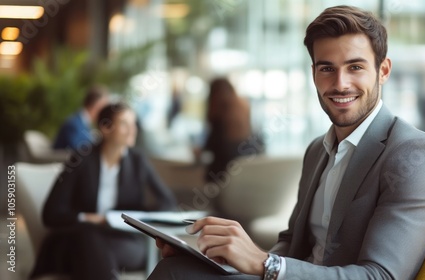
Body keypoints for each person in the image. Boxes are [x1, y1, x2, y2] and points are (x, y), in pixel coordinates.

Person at [149, 5, 425, 279]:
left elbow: (380, 276)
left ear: (383, 71)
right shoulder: (318, 149)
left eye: (355, 67)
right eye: (327, 68)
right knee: (176, 269)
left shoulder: (414, 154)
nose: (340, 83)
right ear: (314, 73)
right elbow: (293, 243)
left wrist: (266, 264)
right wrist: (224, 258)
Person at [32, 102, 178, 280]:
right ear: (105, 128)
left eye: (133, 124)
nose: (133, 130)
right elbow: (51, 214)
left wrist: (137, 219)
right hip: (80, 238)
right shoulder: (81, 158)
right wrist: (88, 218)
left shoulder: (138, 161)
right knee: (88, 238)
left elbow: (168, 202)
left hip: (124, 241)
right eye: (124, 124)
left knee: (92, 250)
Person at [196, 77, 263, 183]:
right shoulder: (245, 111)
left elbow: (212, 147)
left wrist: (199, 151)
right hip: (249, 181)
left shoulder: (218, 115)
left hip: (223, 181)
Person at [52, 85, 109, 151]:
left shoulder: (83, 123)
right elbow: (80, 150)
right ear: (96, 106)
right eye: (103, 108)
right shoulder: (74, 124)